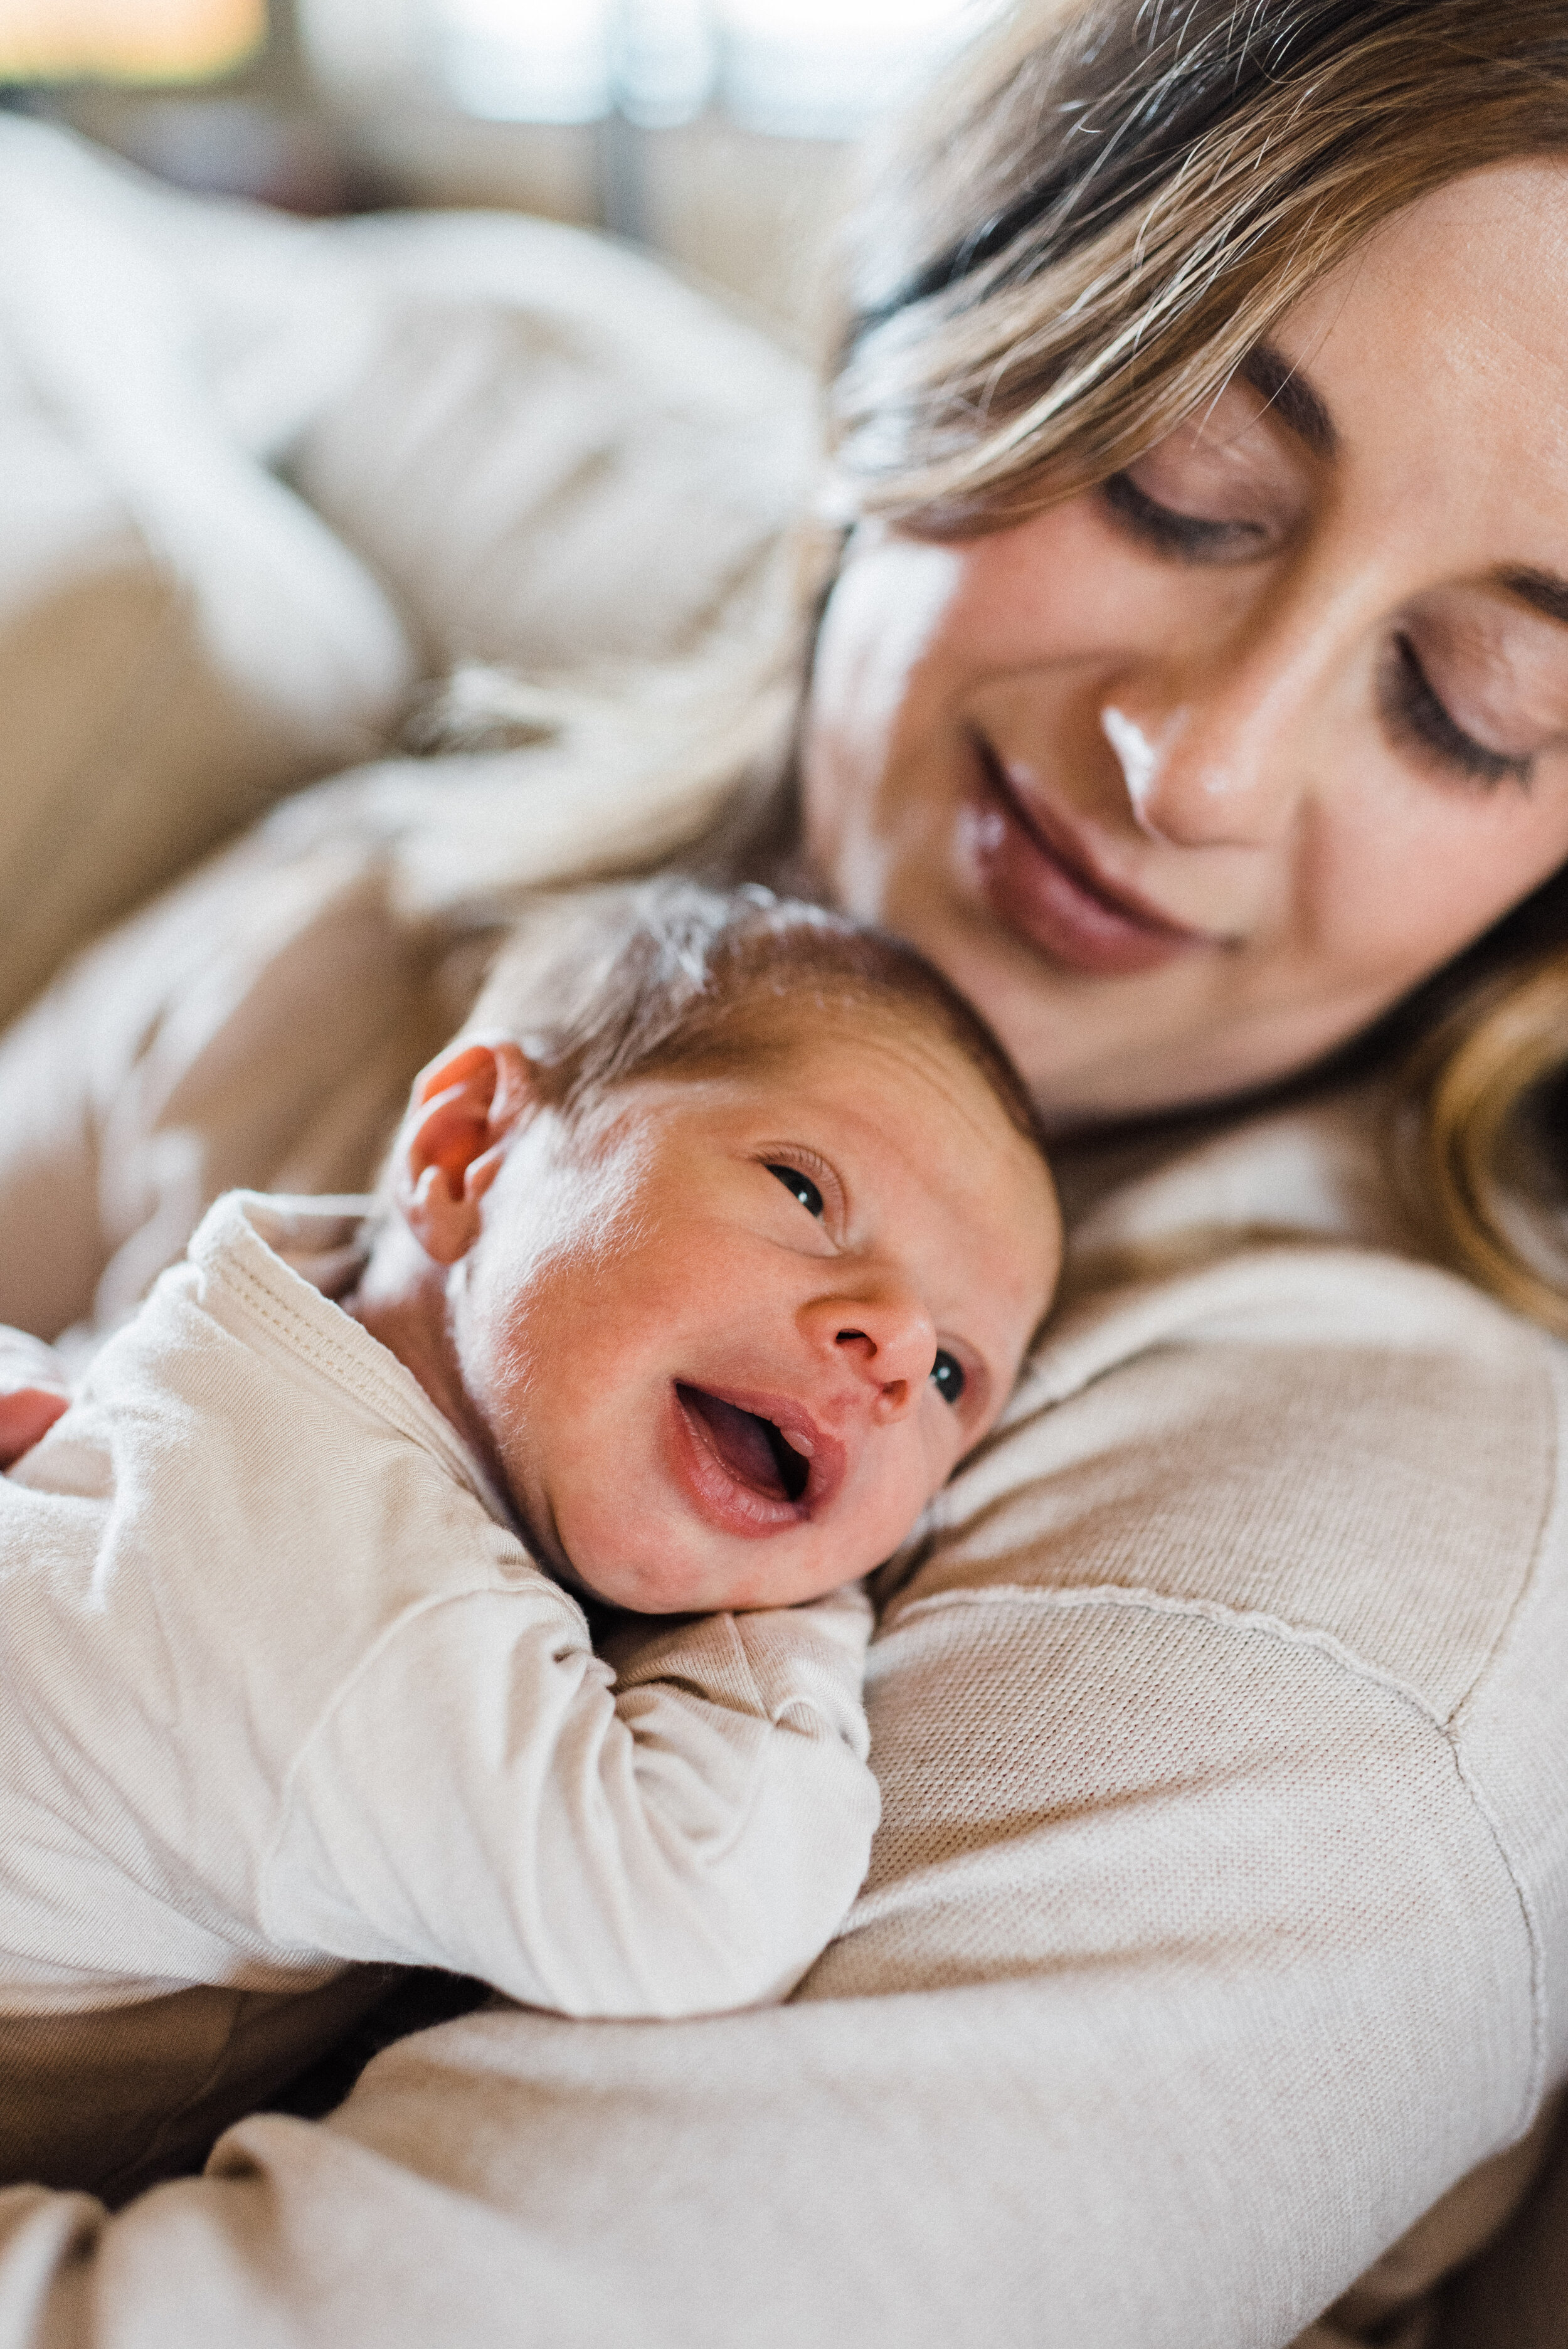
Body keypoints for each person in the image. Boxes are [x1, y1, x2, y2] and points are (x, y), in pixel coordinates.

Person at [4, 0, 1568, 2341]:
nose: (1201, 763)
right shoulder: (395, 917)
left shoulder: (1352, 1590)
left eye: (1476, 706)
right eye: (1182, 482)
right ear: (933, 329)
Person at [0, 883, 1056, 2165]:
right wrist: (800, 1605)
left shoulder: (241, 1350)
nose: (892, 1347)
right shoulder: (366, 1614)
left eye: (952, 1376)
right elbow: (689, 1900)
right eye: (803, 1190)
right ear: (466, 1154)